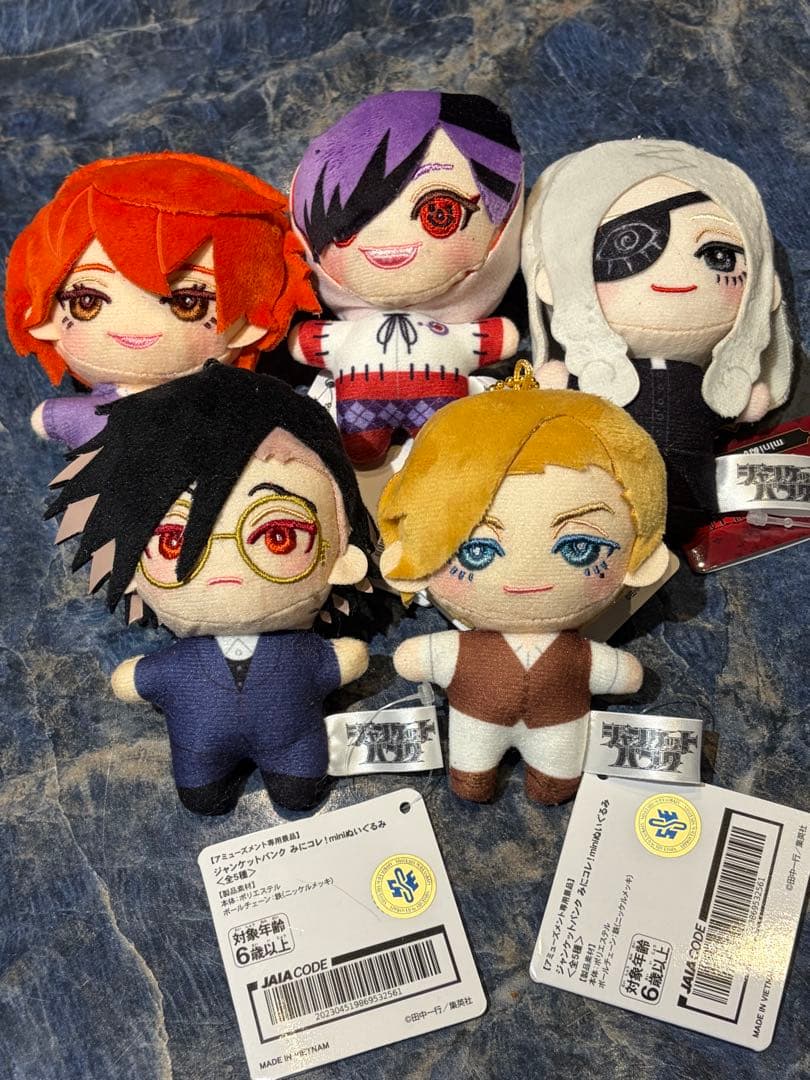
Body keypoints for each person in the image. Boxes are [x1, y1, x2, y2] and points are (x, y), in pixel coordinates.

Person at [47, 362, 372, 814]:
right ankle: (207, 786)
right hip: (202, 752)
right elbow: (136, 680)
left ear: (343, 553)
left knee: (298, 788)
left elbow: (343, 661)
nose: (225, 570)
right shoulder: (188, 663)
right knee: (201, 793)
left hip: (296, 746)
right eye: (173, 541)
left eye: (278, 535)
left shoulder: (302, 653)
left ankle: (286, 782)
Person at [378, 372, 668, 804]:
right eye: (477, 551)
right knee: (472, 766)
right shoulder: (485, 650)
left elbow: (622, 674)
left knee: (556, 773)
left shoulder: (575, 654)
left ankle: (548, 782)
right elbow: (414, 659)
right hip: (480, 723)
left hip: (558, 727)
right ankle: (473, 778)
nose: (526, 577)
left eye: (580, 547)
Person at [522, 139, 792, 539]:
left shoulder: (712, 387)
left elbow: (733, 409)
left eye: (719, 255)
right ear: (554, 282)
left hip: (691, 496)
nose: (677, 277)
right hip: (598, 496)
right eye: (624, 248)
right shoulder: (590, 378)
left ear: (763, 290)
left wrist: (743, 401)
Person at [6, 152, 318, 448]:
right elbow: (53, 420)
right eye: (87, 301)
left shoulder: (231, 409)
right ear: (42, 318)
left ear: (249, 325)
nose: (136, 323)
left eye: (187, 302)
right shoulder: (90, 416)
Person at [288, 90, 525, 466]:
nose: (389, 244)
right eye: (345, 230)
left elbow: (501, 339)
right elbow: (304, 343)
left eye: (440, 213)